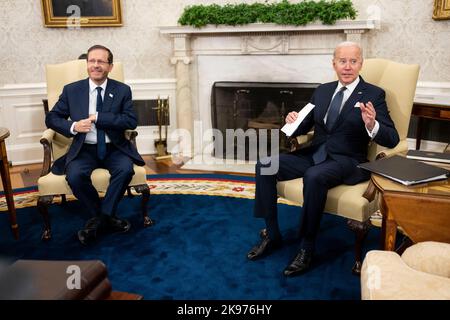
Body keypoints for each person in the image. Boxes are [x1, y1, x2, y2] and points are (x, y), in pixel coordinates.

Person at [247, 41, 400, 276]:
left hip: (348, 160)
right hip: (315, 153)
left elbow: (392, 138)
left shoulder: (374, 94)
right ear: (334, 64)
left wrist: (372, 124)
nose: (347, 66)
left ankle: (307, 248)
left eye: (353, 61)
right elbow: (304, 125)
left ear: (361, 63)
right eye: (342, 61)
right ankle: (273, 233)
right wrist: (292, 121)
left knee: (314, 176)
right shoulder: (323, 90)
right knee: (265, 164)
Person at [46, 44, 145, 245]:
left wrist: (100, 117)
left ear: (110, 66)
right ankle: (105, 217)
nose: (96, 65)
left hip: (114, 147)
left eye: (101, 61)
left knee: (125, 170)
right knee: (74, 175)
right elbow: (52, 118)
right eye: (92, 61)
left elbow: (130, 121)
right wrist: (73, 126)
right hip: (84, 148)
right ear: (87, 64)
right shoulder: (72, 90)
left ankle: (98, 221)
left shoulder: (122, 90)